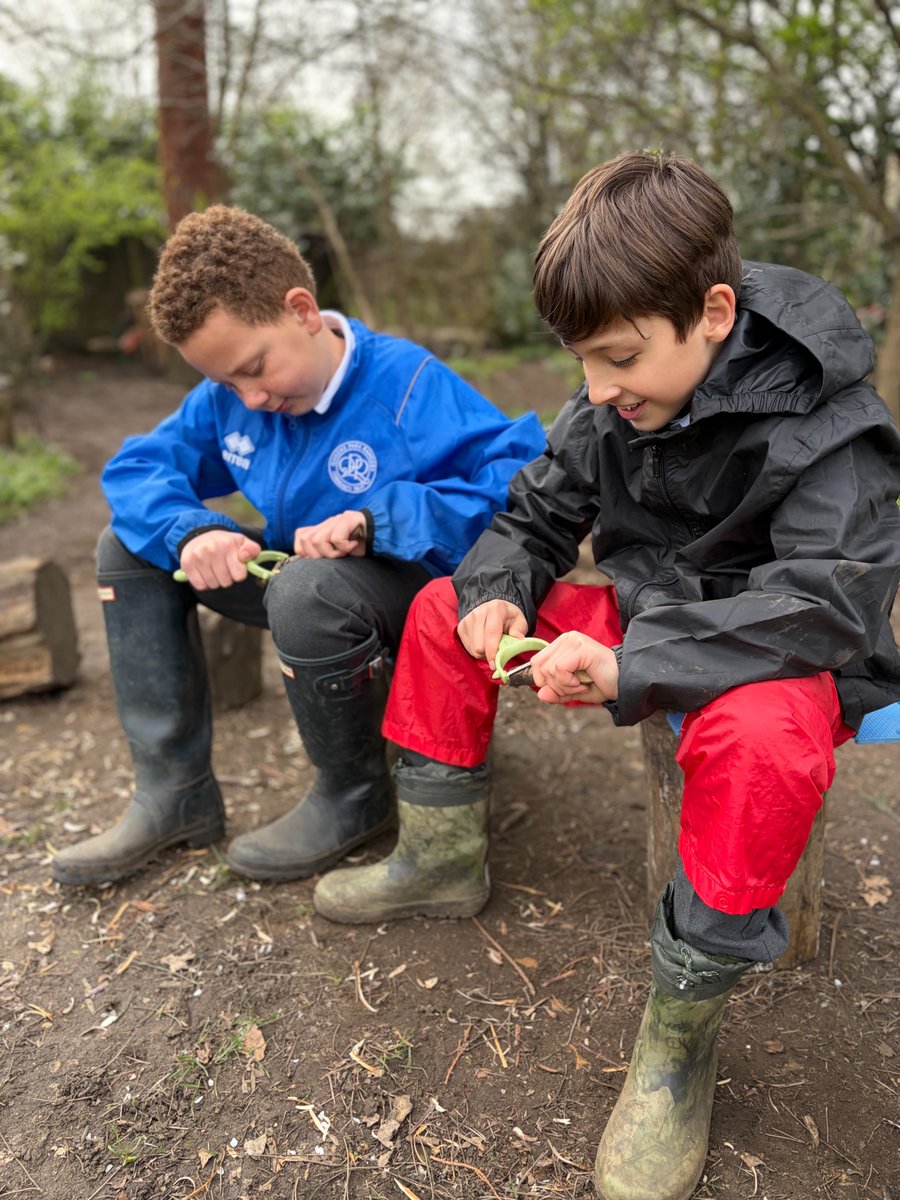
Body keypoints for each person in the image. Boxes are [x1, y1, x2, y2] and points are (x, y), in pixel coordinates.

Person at [309, 153, 900, 1200]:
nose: (595, 389)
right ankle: (441, 859)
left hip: (779, 655)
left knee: (761, 742)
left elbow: (826, 608)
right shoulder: (615, 394)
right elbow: (533, 514)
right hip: (640, 623)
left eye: (618, 358)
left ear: (712, 311)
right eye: (582, 361)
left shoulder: (836, 429)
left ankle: (680, 1043)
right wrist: (500, 586)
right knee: (446, 610)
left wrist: (635, 665)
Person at [50, 205, 546, 889]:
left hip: (412, 599)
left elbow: (518, 484)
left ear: (303, 310)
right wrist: (192, 531)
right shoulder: (234, 398)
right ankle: (175, 794)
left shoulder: (406, 386)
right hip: (299, 583)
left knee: (306, 588)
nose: (248, 399)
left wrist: (381, 518)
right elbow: (139, 467)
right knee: (128, 548)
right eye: (226, 383)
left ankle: (355, 793)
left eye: (255, 369)